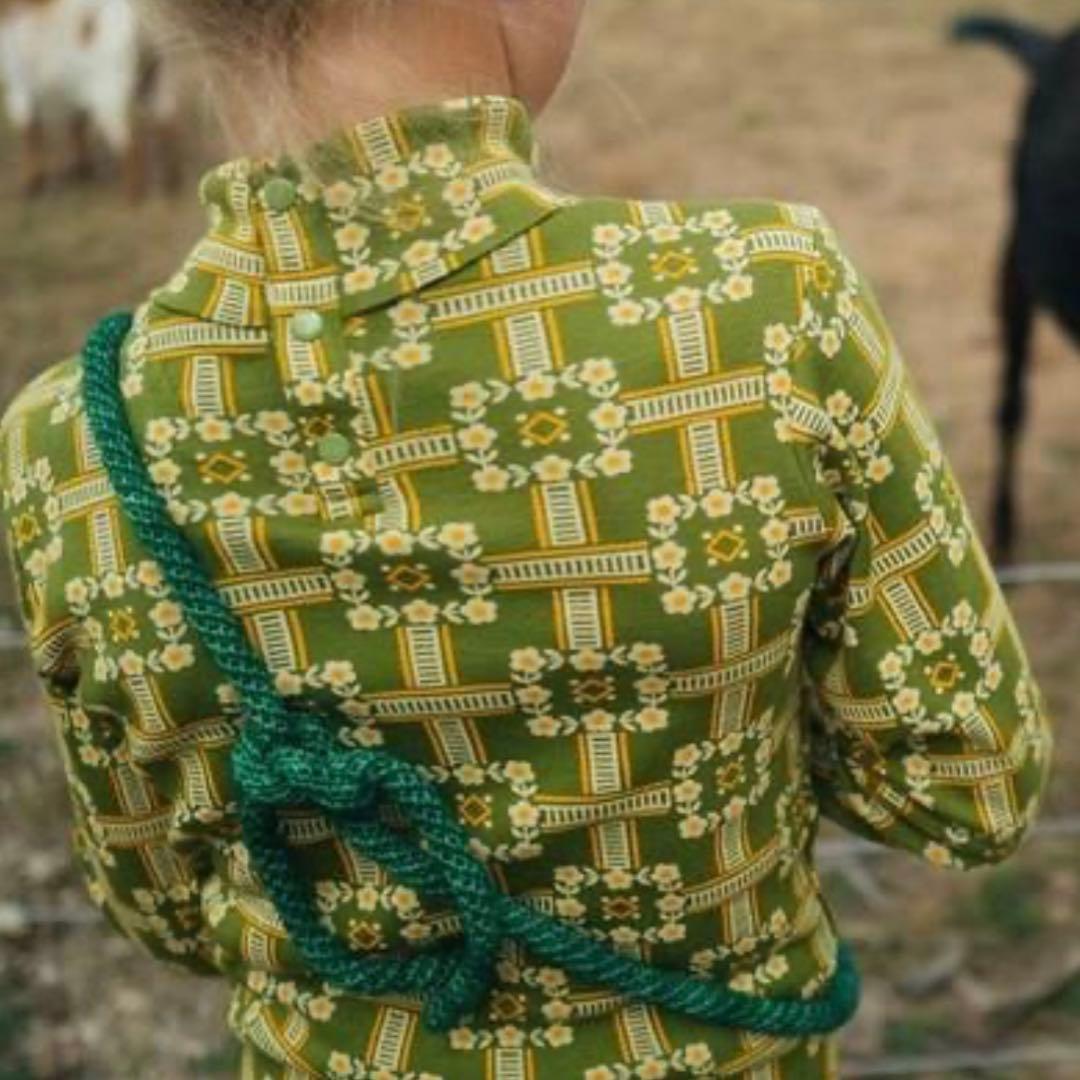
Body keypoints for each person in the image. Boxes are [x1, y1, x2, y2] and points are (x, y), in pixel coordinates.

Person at [0, 2, 1056, 1077]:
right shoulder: (759, 305)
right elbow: (968, 784)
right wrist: (718, 716)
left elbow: (164, 911)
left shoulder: (72, 441)